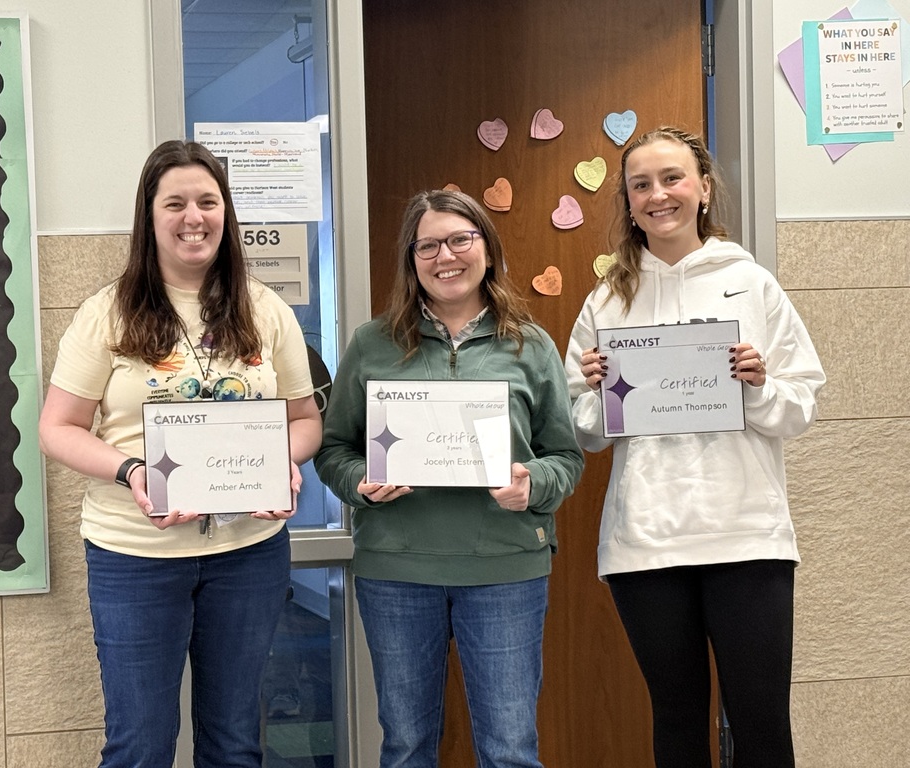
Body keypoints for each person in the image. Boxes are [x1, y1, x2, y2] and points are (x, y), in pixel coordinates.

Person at [38, 140, 321, 767]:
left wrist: (286, 464)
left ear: (227, 213)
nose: (194, 217)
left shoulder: (265, 308)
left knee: (234, 742)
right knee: (139, 745)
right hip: (135, 556)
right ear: (150, 216)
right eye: (176, 204)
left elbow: (304, 420)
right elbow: (56, 428)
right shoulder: (106, 313)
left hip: (247, 554)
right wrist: (132, 469)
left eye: (207, 202)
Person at [564, 126, 825, 768]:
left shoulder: (752, 284)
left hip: (748, 536)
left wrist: (759, 386)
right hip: (647, 542)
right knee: (678, 721)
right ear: (627, 201)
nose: (659, 195)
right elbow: (584, 432)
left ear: (704, 188)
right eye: (641, 184)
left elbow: (801, 406)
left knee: (762, 723)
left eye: (673, 178)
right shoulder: (607, 301)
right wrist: (596, 394)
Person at [315, 189, 584, 768]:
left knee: (511, 748)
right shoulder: (372, 343)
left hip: (505, 568)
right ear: (412, 259)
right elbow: (333, 449)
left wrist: (532, 484)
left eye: (461, 239)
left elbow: (565, 456)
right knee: (407, 746)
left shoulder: (529, 344)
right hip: (398, 569)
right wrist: (360, 480)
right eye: (428, 245)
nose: (446, 256)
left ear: (487, 247)